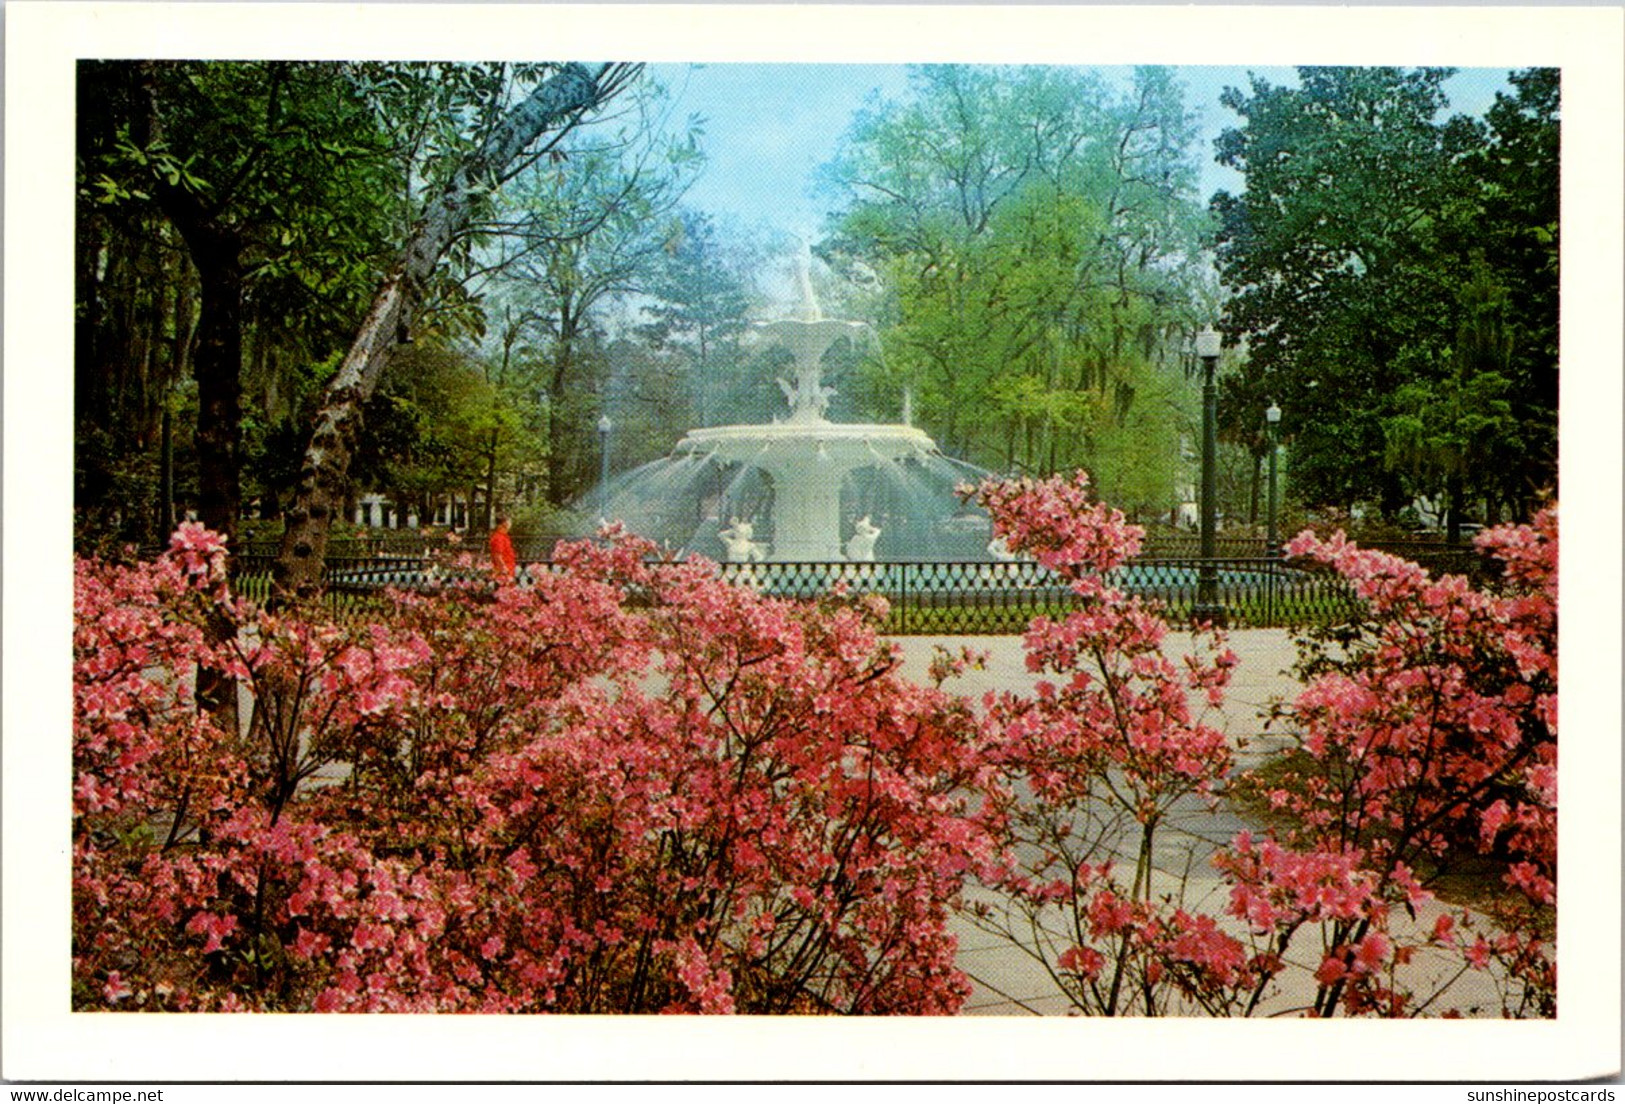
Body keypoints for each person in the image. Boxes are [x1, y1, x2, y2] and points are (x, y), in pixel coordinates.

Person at [489, 515, 517, 583]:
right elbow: (497, 555)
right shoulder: (498, 538)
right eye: (509, 521)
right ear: (503, 524)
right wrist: (504, 568)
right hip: (504, 571)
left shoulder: (503, 536)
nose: (510, 524)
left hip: (509, 568)